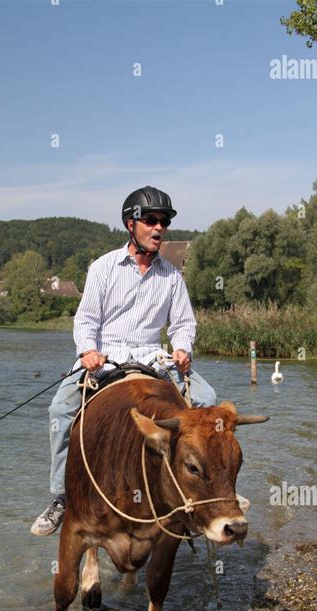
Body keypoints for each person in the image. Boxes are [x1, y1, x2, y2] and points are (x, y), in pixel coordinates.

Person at [30, 185, 217, 536]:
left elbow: (183, 324)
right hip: (105, 357)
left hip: (154, 357)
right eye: (151, 220)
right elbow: (85, 320)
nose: (159, 228)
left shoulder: (172, 276)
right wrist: (87, 350)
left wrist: (183, 349)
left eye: (163, 221)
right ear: (131, 224)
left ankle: (204, 494)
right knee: (60, 411)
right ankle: (60, 498)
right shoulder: (103, 268)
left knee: (206, 402)